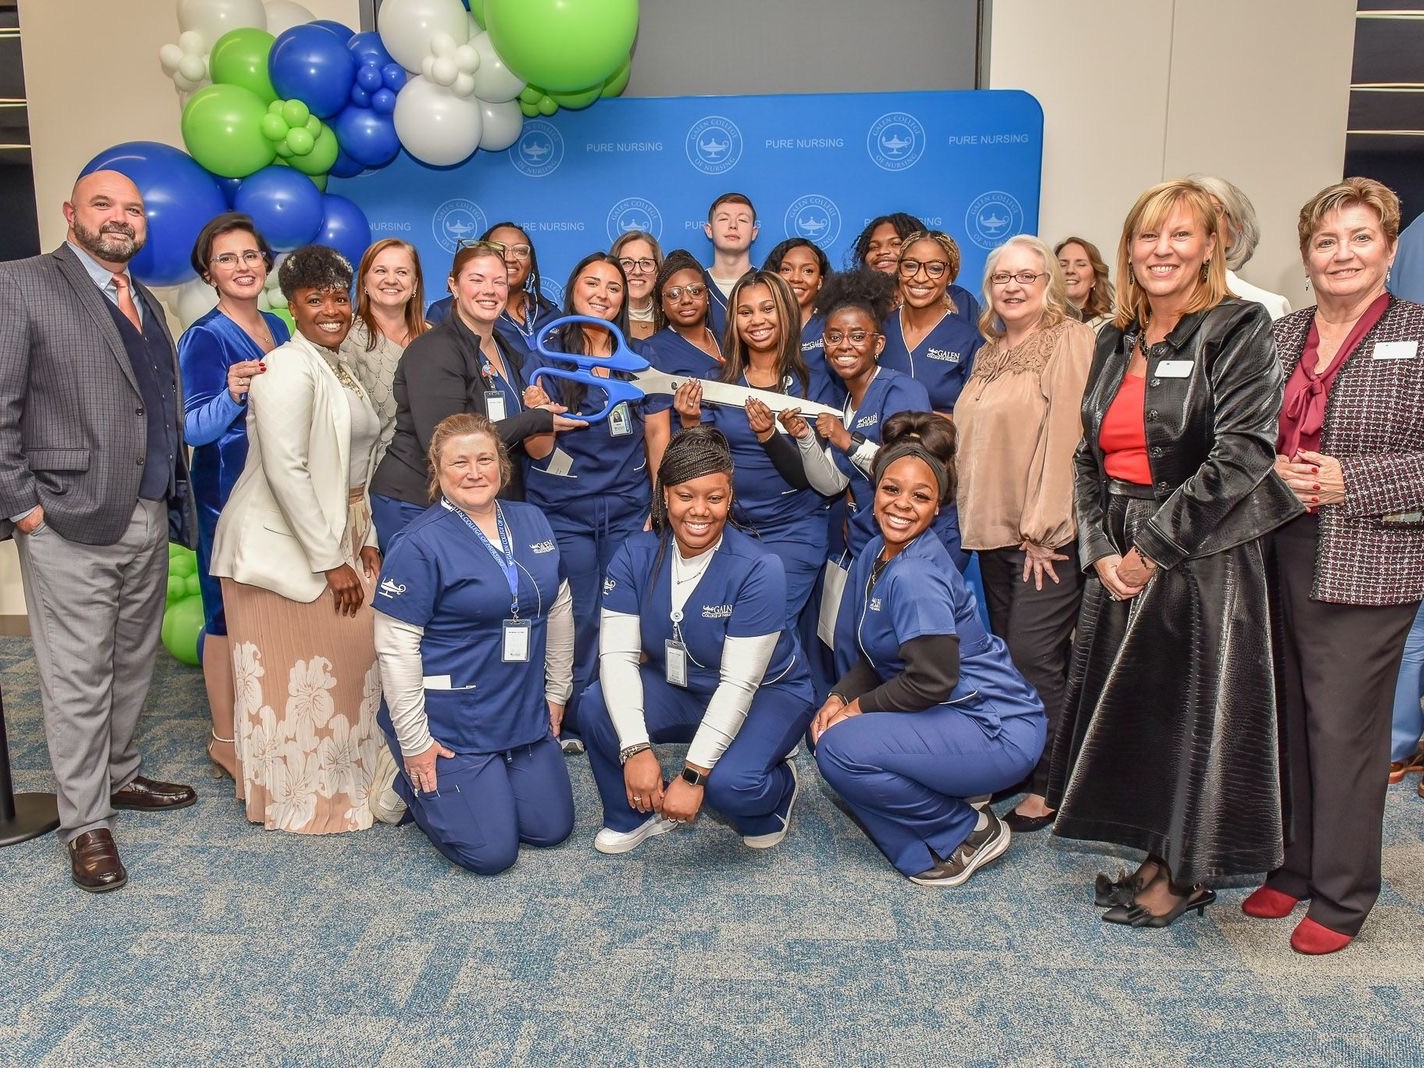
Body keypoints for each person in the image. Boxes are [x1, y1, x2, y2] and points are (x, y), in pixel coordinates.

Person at [1047, 179, 1301, 928]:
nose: (1162, 251)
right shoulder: (1112, 337)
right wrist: (1099, 548)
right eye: (1148, 236)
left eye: (1180, 236)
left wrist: (1149, 552)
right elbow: (1087, 458)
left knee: (1190, 717)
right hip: (1120, 548)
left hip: (1201, 556)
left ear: (1210, 248)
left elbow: (1243, 455)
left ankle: (1183, 870)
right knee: (1136, 715)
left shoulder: (1237, 327)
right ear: (1128, 249)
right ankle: (1153, 856)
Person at [0, 169, 196, 893]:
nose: (121, 219)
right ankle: (86, 823)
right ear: (70, 213)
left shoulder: (142, 298)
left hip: (145, 512)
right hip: (64, 517)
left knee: (130, 662)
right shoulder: (21, 283)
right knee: (77, 677)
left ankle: (118, 776)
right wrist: (24, 506)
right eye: (104, 205)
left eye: (133, 209)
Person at [1244, 178, 1424, 954]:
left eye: (1359, 238)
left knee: (1345, 729)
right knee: (1284, 717)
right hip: (1277, 548)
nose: (1341, 253)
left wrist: (1357, 479)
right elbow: (1244, 439)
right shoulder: (1280, 338)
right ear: (1307, 256)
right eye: (1326, 240)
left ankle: (1345, 894)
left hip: (1371, 554)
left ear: (1388, 250)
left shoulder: (1419, 335)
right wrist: (1265, 471)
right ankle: (1292, 862)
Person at [812, 413, 1045, 885]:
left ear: (937, 508)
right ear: (874, 492)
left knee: (840, 748)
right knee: (830, 731)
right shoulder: (875, 552)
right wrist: (839, 697)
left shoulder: (915, 575)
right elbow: (875, 657)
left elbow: (931, 678)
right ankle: (928, 843)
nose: (902, 505)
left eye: (920, 496)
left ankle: (968, 832)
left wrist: (854, 709)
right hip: (953, 712)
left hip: (997, 726)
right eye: (891, 489)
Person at [209, 244, 386, 835]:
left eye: (340, 298)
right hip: (283, 550)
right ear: (292, 304)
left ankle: (343, 784)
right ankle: (301, 801)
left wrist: (365, 534)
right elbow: (288, 470)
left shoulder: (339, 363)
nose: (332, 310)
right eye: (316, 300)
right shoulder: (286, 365)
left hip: (344, 530)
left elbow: (359, 462)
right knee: (300, 678)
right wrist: (330, 559)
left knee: (345, 669)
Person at [579, 426, 816, 854]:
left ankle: (779, 786)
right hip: (684, 685)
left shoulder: (760, 568)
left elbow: (739, 684)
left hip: (768, 693)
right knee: (595, 704)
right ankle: (633, 813)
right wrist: (635, 749)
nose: (700, 511)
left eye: (715, 497)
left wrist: (691, 775)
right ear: (664, 495)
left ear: (730, 498)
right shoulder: (634, 554)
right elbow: (615, 656)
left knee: (731, 787)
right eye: (686, 495)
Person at [373, 413, 575, 874]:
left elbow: (560, 609)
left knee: (551, 829)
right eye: (458, 462)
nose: (473, 472)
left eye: (484, 459)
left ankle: (488, 783)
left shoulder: (532, 520)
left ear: (502, 466)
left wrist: (556, 692)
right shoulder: (418, 544)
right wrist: (415, 742)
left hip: (519, 708)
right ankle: (407, 782)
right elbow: (395, 649)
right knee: (491, 853)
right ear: (438, 472)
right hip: (451, 721)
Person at [955, 235, 1093, 832]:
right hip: (992, 533)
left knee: (1038, 660)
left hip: (1043, 538)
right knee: (1010, 661)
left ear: (1049, 285)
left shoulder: (1069, 340)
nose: (1013, 286)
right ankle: (1019, 761)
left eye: (1027, 276)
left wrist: (1045, 529)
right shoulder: (989, 350)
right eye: (1002, 277)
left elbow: (1070, 439)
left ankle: (1052, 781)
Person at [524, 253, 660, 749]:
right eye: (592, 283)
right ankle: (575, 712)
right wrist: (540, 418)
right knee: (578, 614)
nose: (603, 294)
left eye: (614, 287)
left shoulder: (638, 360)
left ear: (626, 298)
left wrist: (658, 504)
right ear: (573, 291)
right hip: (565, 511)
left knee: (623, 612)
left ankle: (615, 709)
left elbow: (657, 434)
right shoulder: (545, 357)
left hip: (626, 507)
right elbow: (537, 452)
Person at [369, 243, 576, 549]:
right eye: (476, 280)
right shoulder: (435, 349)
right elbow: (445, 442)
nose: (489, 290)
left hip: (471, 500)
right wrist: (533, 420)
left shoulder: (505, 348)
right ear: (453, 285)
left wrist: (534, 404)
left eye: (498, 281)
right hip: (416, 501)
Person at [178, 212, 289, 782]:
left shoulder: (280, 325)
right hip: (225, 496)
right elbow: (192, 430)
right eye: (227, 259)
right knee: (225, 616)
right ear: (209, 272)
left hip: (281, 492)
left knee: (270, 612)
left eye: (250, 256)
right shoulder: (204, 336)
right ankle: (225, 738)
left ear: (266, 263)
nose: (242, 267)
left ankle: (268, 724)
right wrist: (231, 392)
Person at [674, 271, 830, 623]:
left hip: (794, 529)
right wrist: (690, 423)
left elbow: (809, 476)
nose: (757, 320)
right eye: (746, 312)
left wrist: (768, 435)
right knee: (720, 629)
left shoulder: (814, 384)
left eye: (767, 309)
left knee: (767, 632)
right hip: (729, 530)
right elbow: (703, 464)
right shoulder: (717, 383)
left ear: (786, 313)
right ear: (734, 321)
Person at [342, 238, 429, 468]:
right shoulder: (344, 335)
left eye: (402, 272)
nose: (391, 279)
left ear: (415, 283)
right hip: (366, 478)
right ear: (364, 282)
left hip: (428, 476)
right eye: (380, 270)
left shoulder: (435, 338)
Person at [879, 231, 984, 418]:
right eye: (910, 266)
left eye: (935, 268)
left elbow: (976, 415)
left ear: (950, 275)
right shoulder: (880, 328)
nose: (920, 277)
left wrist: (924, 421)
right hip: (879, 445)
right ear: (899, 271)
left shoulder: (968, 339)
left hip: (943, 445)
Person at [425, 223, 559, 357]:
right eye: (500, 249)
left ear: (531, 264)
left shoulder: (551, 314)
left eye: (521, 251)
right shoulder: (445, 311)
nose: (511, 258)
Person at [849, 213, 980, 325]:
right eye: (873, 247)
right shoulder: (854, 301)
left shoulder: (960, 299)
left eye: (895, 244)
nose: (882, 251)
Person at [1194, 174, 1293, 320]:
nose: (1197, 223)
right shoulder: (1154, 298)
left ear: (1233, 233)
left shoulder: (1266, 306)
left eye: (1212, 212)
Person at [764, 237, 839, 404]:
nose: (796, 278)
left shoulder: (833, 324)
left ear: (820, 281)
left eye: (808, 271)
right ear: (774, 276)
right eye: (786, 269)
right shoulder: (761, 327)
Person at [701, 192, 758, 339]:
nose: (733, 225)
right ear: (709, 230)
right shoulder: (695, 286)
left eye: (743, 220)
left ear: (754, 233)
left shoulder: (769, 286)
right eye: (724, 219)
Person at [611, 229, 664, 341]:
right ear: (614, 270)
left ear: (657, 272)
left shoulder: (672, 320)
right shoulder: (602, 320)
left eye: (646, 263)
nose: (637, 271)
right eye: (627, 263)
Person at [1055, 236, 1114, 328]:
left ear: (1094, 278)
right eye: (1062, 264)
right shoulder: (1038, 323)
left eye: (1081, 265)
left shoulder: (1110, 327)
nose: (1070, 270)